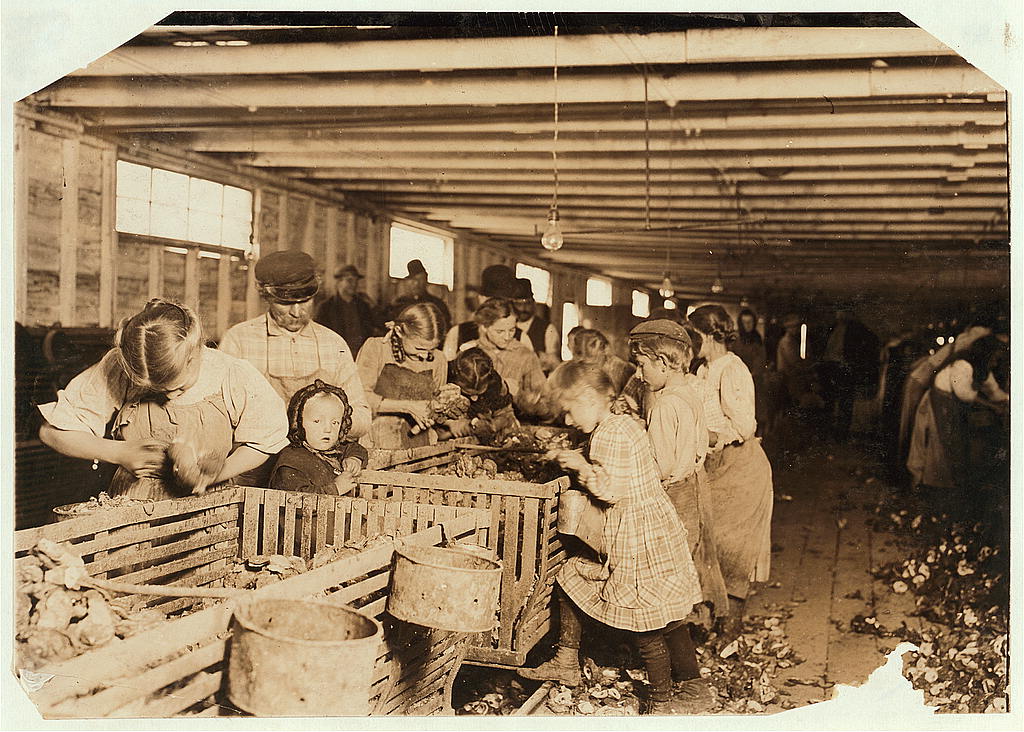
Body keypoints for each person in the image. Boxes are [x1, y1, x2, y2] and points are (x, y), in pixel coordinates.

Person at [518, 362, 708, 715]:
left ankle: (662, 702)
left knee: (645, 625)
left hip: (635, 535)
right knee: (655, 610)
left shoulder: (608, 434)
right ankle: (567, 661)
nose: (569, 421)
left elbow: (610, 491)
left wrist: (576, 464)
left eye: (570, 411)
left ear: (589, 399)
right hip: (655, 528)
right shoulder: (624, 423)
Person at [37, 299, 289, 500]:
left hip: (210, 505)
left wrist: (214, 474)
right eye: (157, 391)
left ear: (196, 352)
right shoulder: (117, 366)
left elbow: (264, 442)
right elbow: (52, 433)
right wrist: (118, 451)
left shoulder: (232, 373)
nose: (169, 397)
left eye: (178, 388)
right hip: (132, 504)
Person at [628, 320, 729, 624]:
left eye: (640, 364)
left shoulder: (664, 406)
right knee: (686, 564)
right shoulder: (690, 395)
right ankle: (689, 633)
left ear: (661, 363)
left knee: (663, 570)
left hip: (672, 494)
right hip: (694, 487)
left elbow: (660, 469)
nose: (637, 373)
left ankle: (668, 640)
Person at [219, 250, 371, 438]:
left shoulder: (333, 344)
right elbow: (220, 414)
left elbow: (362, 416)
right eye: (285, 303)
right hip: (256, 458)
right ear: (265, 295)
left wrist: (331, 425)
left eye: (305, 301)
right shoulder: (238, 341)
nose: (297, 312)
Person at [687, 305, 773, 635]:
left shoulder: (732, 369)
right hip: (716, 467)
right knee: (709, 546)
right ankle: (712, 627)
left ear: (708, 335)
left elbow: (744, 426)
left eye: (694, 335)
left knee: (732, 550)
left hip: (741, 468)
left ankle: (729, 634)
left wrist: (703, 434)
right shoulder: (703, 368)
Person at [906, 334, 1008, 498]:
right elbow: (965, 395)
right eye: (995, 357)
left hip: (950, 406)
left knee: (951, 445)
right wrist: (994, 407)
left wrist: (1008, 399)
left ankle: (942, 485)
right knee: (935, 443)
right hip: (937, 404)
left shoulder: (982, 369)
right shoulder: (963, 364)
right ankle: (924, 486)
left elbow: (993, 391)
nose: (996, 362)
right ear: (986, 354)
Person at [355, 301, 448, 449]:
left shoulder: (439, 359)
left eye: (431, 350)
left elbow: (437, 405)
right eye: (419, 348)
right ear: (399, 331)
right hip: (377, 440)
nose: (424, 356)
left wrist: (442, 407)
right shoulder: (377, 349)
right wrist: (407, 406)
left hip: (421, 444)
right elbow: (359, 397)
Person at [270, 379, 369, 495]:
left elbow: (356, 448)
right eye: (317, 421)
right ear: (299, 423)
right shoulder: (290, 462)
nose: (328, 429)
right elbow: (297, 501)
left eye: (335, 423)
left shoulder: (334, 449)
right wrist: (336, 488)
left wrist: (354, 459)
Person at [457, 298, 547, 419]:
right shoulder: (469, 352)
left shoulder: (525, 356)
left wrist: (519, 395)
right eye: (499, 331)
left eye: (512, 330)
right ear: (484, 327)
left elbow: (545, 407)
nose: (507, 337)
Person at [817, 306, 880, 440]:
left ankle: (842, 432)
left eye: (842, 312)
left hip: (845, 369)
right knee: (831, 400)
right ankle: (831, 432)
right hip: (832, 368)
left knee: (845, 401)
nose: (839, 315)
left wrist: (855, 362)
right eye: (838, 313)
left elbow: (871, 343)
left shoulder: (856, 329)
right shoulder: (832, 328)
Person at [443, 264, 525, 359]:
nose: (498, 309)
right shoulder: (458, 333)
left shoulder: (522, 338)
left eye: (503, 304)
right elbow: (447, 368)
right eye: (492, 303)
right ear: (481, 299)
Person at [447, 346, 521, 442]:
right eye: (468, 392)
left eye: (479, 392)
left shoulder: (495, 383)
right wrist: (451, 424)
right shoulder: (446, 376)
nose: (474, 398)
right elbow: (432, 413)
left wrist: (494, 425)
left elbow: (505, 413)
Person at [314, 264, 379, 356]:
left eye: (356, 281)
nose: (354, 285)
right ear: (338, 282)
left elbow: (374, 327)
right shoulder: (326, 307)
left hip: (361, 355)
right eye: (350, 281)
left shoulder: (363, 305)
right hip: (336, 355)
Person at [388, 259, 452, 336]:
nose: (416, 284)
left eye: (420, 279)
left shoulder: (437, 304)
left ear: (426, 280)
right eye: (413, 280)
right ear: (407, 282)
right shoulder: (399, 303)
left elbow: (446, 328)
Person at [511, 277, 561, 372]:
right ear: (512, 305)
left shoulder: (547, 328)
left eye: (527, 304)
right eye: (519, 304)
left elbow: (554, 363)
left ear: (534, 303)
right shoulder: (508, 327)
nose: (523, 309)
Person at [569, 328, 635, 396]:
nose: (588, 367)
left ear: (605, 349)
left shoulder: (623, 370)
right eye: (583, 362)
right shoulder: (576, 370)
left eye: (593, 358)